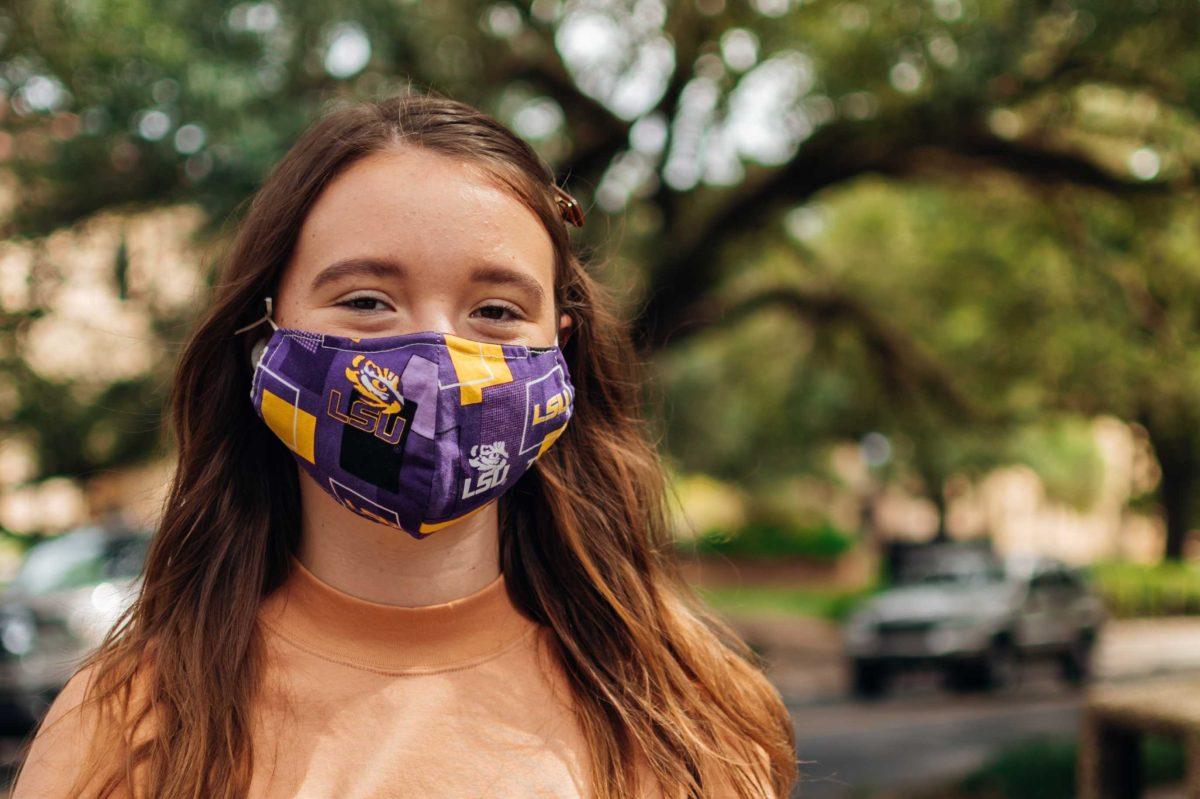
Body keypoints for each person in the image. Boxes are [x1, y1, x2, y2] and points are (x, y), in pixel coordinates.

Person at [10, 89, 798, 798]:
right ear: (265, 329)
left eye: (494, 310)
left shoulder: (686, 716)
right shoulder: (125, 731)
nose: (432, 357)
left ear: (561, 349)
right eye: (366, 299)